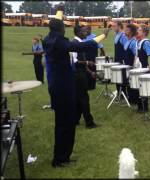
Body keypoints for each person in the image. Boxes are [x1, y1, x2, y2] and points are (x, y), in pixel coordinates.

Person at [42, 7, 108, 167]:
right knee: (66, 124)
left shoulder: (48, 39)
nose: (66, 28)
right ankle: (60, 159)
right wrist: (102, 36)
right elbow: (81, 47)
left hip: (56, 86)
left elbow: (56, 23)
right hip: (63, 87)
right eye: (63, 26)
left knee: (63, 122)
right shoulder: (59, 42)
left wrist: (59, 11)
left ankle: (62, 156)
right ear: (60, 29)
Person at [71, 25, 99, 129]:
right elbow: (74, 62)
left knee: (79, 98)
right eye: (84, 32)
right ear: (78, 32)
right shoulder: (74, 44)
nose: (86, 33)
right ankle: (89, 123)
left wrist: (90, 72)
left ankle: (75, 120)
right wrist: (87, 62)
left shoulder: (79, 43)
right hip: (78, 76)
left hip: (81, 73)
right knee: (84, 98)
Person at [135, 24, 150, 112]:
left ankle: (145, 107)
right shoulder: (139, 41)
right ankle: (140, 106)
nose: (137, 31)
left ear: (144, 33)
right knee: (139, 87)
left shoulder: (146, 42)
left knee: (143, 87)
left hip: (144, 67)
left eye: (139, 30)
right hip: (139, 67)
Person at [84, 26, 106, 90]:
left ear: (90, 30)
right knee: (86, 70)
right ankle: (86, 85)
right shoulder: (83, 37)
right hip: (85, 56)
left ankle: (92, 86)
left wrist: (103, 54)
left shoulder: (95, 37)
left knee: (93, 70)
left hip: (93, 56)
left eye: (87, 30)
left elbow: (101, 47)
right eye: (85, 30)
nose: (86, 31)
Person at [123, 24, 138, 104]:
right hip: (126, 65)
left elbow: (136, 55)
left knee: (132, 83)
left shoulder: (133, 42)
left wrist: (133, 66)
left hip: (131, 66)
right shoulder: (127, 41)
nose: (125, 31)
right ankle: (130, 98)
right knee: (128, 82)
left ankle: (134, 100)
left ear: (132, 32)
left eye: (127, 30)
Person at [112, 21, 128, 95]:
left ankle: (123, 93)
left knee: (122, 78)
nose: (113, 27)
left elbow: (126, 48)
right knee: (117, 77)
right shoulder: (116, 35)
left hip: (121, 60)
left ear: (119, 26)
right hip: (117, 59)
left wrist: (124, 60)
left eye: (115, 26)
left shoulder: (123, 35)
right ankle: (119, 92)